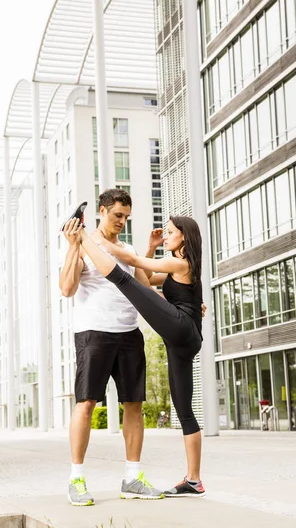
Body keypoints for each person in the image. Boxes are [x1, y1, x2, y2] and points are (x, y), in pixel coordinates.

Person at [68, 202, 206, 498]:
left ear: (184, 237)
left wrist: (91, 240)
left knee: (122, 279)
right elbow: (149, 280)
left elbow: (133, 265)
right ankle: (194, 480)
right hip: (183, 337)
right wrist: (152, 248)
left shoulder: (181, 263)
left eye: (170, 232)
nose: (165, 235)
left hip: (181, 328)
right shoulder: (177, 268)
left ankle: (137, 479)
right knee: (184, 410)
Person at [60, 189, 164, 505]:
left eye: (126, 217)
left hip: (129, 333)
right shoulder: (83, 243)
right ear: (103, 211)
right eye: (117, 215)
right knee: (87, 403)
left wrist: (149, 251)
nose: (122, 222)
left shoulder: (128, 248)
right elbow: (67, 288)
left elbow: (145, 286)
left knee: (133, 404)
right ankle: (76, 479)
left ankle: (132, 478)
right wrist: (72, 248)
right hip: (94, 333)